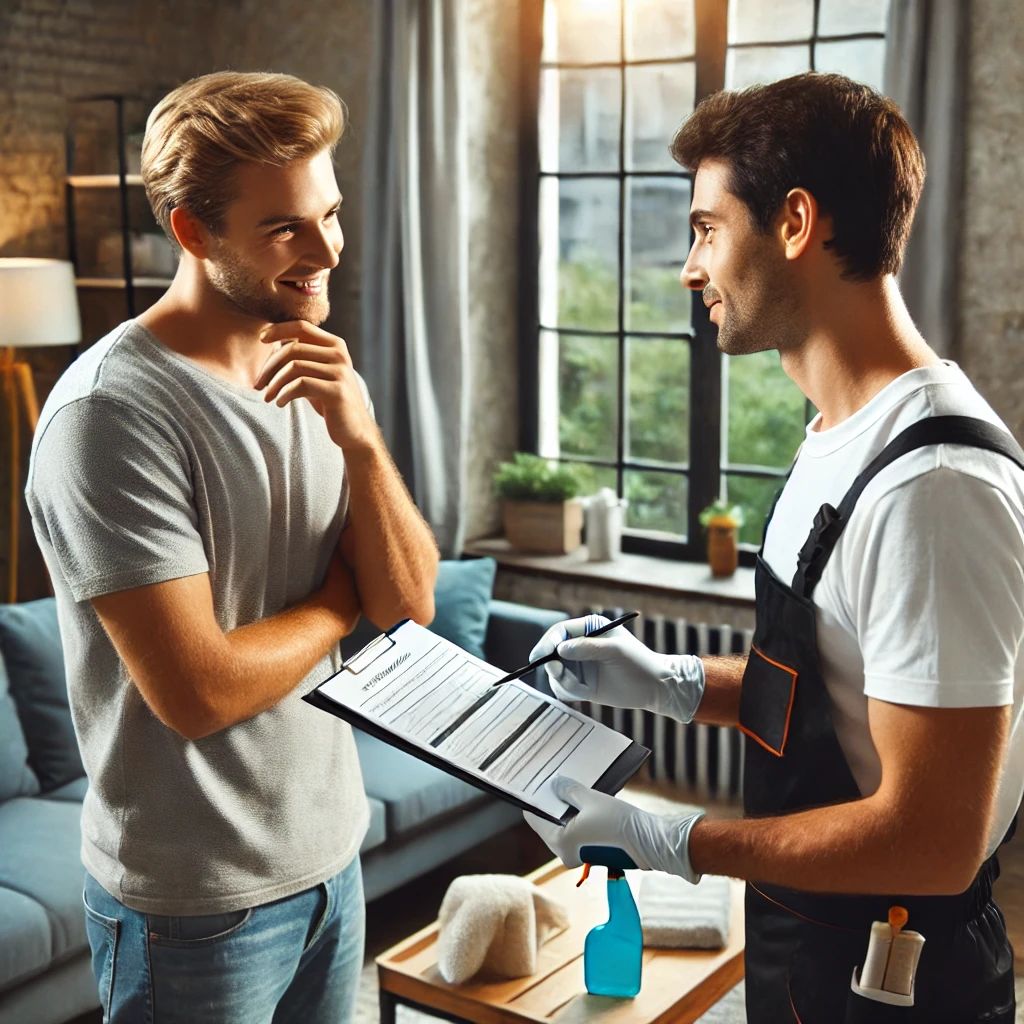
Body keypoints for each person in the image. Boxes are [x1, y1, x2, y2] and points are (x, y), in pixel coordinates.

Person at [524, 72, 1024, 1023]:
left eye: (706, 229)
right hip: (811, 943)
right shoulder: (838, 434)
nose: (689, 268)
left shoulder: (935, 489)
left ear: (795, 223)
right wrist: (664, 680)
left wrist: (671, 841)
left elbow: (933, 840)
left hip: (895, 983)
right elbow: (827, 692)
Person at [26, 71, 439, 1024]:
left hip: (332, 860)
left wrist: (364, 441)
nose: (326, 248)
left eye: (329, 213)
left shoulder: (310, 364)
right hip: (193, 909)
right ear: (193, 232)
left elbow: (409, 608)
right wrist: (338, 605)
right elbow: (198, 692)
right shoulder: (110, 416)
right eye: (284, 228)